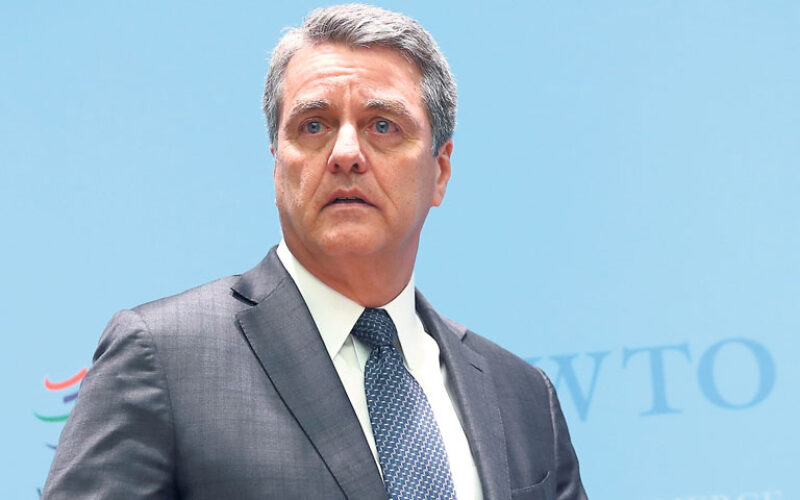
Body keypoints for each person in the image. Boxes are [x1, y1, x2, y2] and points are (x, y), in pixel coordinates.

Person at [42, 4, 587, 499]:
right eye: (314, 125)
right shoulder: (163, 357)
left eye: (382, 126)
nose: (346, 153)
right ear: (277, 164)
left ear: (439, 171)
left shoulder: (522, 397)